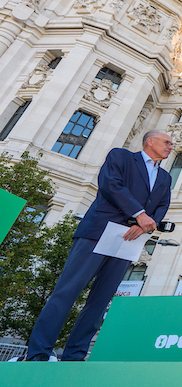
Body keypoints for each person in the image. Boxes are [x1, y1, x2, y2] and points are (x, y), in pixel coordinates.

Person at [26, 130, 174, 361]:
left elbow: (162, 205)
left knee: (101, 301)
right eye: (166, 142)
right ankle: (38, 353)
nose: (170, 147)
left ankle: (75, 354)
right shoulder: (121, 157)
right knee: (67, 292)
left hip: (130, 238)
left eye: (171, 144)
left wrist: (144, 225)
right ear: (150, 141)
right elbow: (111, 185)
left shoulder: (165, 177)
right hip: (99, 232)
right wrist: (139, 214)